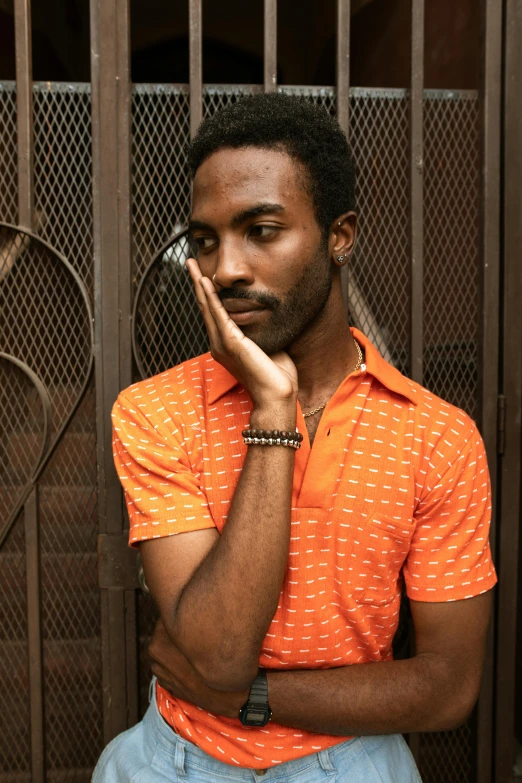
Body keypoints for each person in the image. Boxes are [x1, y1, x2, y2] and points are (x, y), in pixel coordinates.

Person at [94, 93, 496, 782]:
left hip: (354, 763)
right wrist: (274, 412)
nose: (226, 269)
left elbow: (448, 687)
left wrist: (253, 698)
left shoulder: (437, 437)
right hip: (175, 761)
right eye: (207, 240)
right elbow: (218, 649)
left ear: (340, 235)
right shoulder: (154, 411)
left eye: (263, 229)